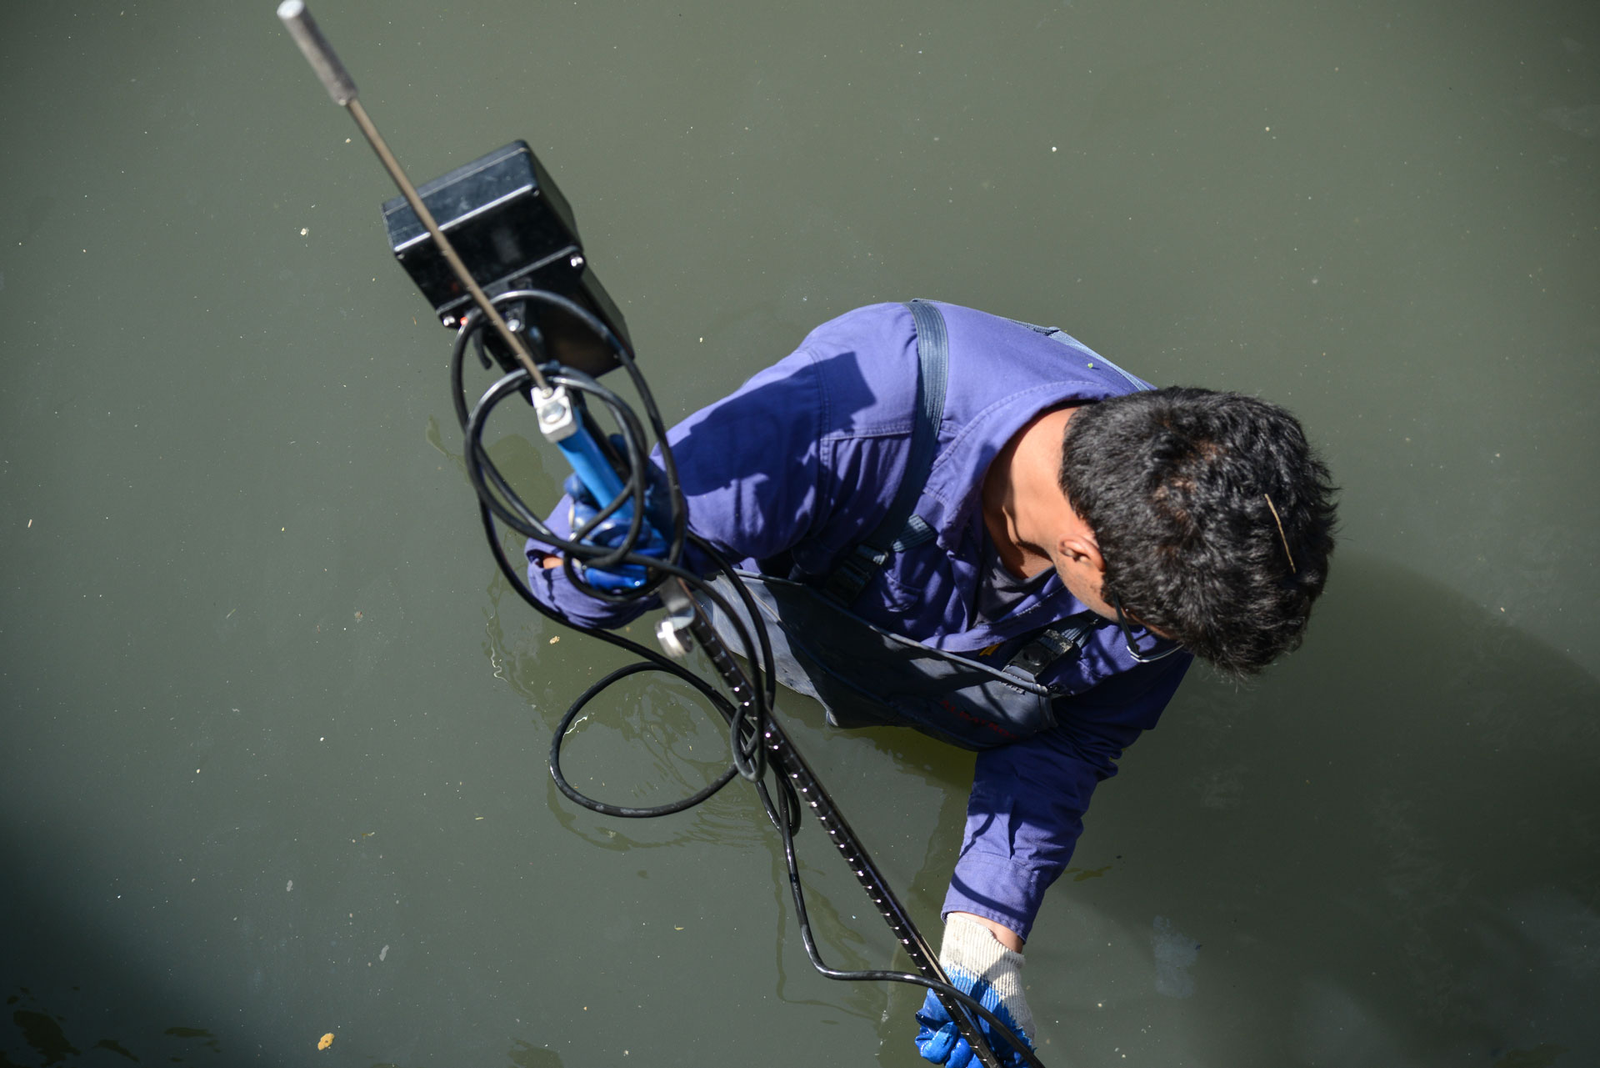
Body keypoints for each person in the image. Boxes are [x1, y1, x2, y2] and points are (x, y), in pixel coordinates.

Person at [524, 300, 1337, 1066]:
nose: (1157, 648)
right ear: (1084, 556)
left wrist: (985, 934)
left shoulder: (1172, 563)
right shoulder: (851, 418)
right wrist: (628, 552)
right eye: (1153, 629)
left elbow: (1074, 738)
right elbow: (557, 579)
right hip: (780, 637)